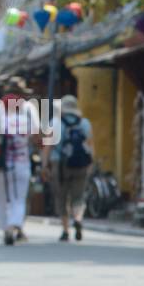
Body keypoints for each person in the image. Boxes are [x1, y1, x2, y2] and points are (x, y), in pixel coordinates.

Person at [0, 79, 39, 246]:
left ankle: (6, 227)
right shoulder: (28, 109)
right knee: (18, 199)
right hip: (21, 162)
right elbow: (37, 137)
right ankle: (14, 226)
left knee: (0, 199)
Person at [51, 93, 93, 242]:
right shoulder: (85, 123)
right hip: (81, 164)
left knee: (62, 197)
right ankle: (78, 218)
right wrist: (90, 163)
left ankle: (65, 230)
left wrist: (45, 165)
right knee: (78, 197)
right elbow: (89, 145)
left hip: (61, 164)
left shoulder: (56, 123)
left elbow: (48, 147)